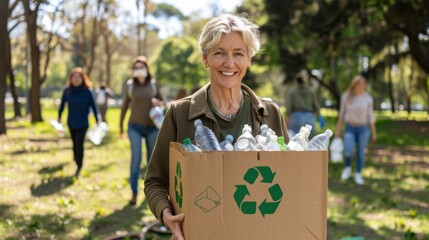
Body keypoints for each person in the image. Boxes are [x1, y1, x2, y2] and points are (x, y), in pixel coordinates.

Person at [144, 14, 289, 240]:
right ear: (205, 58)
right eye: (219, 52)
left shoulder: (270, 115)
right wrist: (166, 214)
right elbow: (156, 180)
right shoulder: (179, 114)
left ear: (249, 59)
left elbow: (289, 178)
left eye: (238, 53)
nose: (229, 63)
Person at [119, 55, 164, 205]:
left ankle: (151, 193)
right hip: (135, 127)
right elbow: (125, 106)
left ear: (146, 69)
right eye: (136, 67)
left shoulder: (153, 84)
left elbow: (163, 102)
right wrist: (120, 126)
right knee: (136, 159)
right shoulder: (130, 86)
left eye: (141, 67)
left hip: (152, 127)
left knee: (151, 162)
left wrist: (158, 102)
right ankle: (134, 193)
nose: (139, 70)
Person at [58, 67, 99, 178]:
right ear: (71, 79)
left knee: (79, 144)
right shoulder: (67, 91)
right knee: (74, 144)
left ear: (82, 78)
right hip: (71, 122)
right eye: (74, 77)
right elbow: (62, 105)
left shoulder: (87, 91)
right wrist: (59, 118)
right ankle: (76, 158)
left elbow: (94, 106)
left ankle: (79, 167)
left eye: (78, 77)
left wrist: (97, 119)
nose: (76, 79)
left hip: (83, 123)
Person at [335, 75, 377, 185]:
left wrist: (373, 133)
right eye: (358, 84)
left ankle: (358, 174)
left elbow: (370, 116)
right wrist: (338, 130)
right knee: (348, 151)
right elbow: (341, 114)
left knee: (360, 153)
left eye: (363, 84)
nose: (361, 86)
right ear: (354, 85)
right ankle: (347, 168)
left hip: (363, 128)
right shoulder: (346, 96)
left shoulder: (367, 98)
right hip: (350, 127)